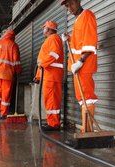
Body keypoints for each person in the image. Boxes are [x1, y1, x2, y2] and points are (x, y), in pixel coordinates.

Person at [61, 0, 98, 132]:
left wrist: (81, 61)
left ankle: (87, 132)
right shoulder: (79, 20)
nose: (69, 8)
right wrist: (70, 39)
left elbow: (90, 42)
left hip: (84, 65)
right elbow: (80, 41)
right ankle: (86, 130)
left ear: (78, 1)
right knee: (83, 99)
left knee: (87, 97)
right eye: (67, 6)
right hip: (78, 66)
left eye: (71, 4)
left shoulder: (87, 15)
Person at [34, 21, 64, 131]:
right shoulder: (50, 40)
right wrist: (38, 76)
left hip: (52, 76)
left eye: (44, 28)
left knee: (52, 100)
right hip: (48, 75)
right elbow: (42, 62)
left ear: (48, 29)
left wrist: (42, 64)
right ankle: (52, 122)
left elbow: (54, 55)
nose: (43, 30)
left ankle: (54, 124)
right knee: (50, 100)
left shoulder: (54, 38)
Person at [0, 29, 21, 119]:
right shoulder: (13, 45)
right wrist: (18, 71)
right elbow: (16, 61)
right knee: (6, 93)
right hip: (7, 73)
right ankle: (3, 113)